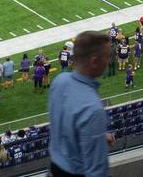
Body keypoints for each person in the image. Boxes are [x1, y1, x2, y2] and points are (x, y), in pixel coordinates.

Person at [49, 31, 114, 177]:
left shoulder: (60, 80)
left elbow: (67, 124)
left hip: (54, 166)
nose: (109, 60)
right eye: (107, 56)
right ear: (94, 61)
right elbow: (96, 173)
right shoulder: (92, 108)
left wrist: (95, 134)